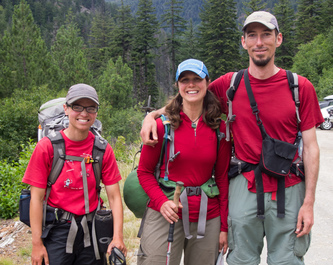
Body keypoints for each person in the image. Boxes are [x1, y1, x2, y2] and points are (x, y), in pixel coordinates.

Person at [140, 11, 324, 265]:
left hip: (289, 188)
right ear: (243, 42)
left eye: (266, 35)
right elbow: (190, 96)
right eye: (252, 36)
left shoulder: (299, 87)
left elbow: (312, 148)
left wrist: (309, 203)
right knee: (241, 260)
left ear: (278, 39)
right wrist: (152, 117)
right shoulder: (230, 85)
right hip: (244, 187)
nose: (259, 42)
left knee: (288, 260)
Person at [136, 59, 231, 265]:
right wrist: (161, 203)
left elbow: (222, 178)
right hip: (166, 210)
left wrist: (224, 227)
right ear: (177, 86)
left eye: (197, 79)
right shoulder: (162, 127)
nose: (191, 85)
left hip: (208, 215)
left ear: (207, 82)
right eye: (185, 80)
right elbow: (144, 172)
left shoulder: (220, 130)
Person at [22, 84, 127, 265]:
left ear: (96, 112)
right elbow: (36, 199)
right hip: (57, 231)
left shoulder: (102, 149)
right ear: (66, 109)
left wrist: (117, 237)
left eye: (90, 108)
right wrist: (36, 244)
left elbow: (114, 197)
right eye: (77, 107)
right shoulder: (47, 148)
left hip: (92, 231)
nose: (84, 113)